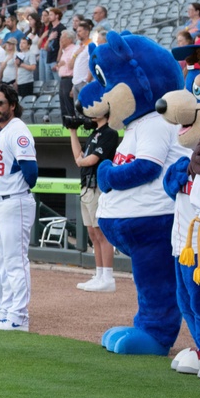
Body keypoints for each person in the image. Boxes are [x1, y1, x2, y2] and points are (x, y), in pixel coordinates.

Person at [0, 84, 38, 331]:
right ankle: (5, 310)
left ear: (12, 105)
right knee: (3, 262)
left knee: (15, 262)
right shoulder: (1, 133)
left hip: (14, 201)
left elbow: (31, 173)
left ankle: (19, 316)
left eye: (0, 103)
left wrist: (12, 190)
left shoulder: (18, 131)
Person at [69, 112, 118, 292]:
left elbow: (91, 160)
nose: (88, 114)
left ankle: (107, 277)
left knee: (101, 232)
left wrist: (82, 161)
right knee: (92, 232)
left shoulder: (110, 133)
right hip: (86, 186)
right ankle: (99, 274)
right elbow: (78, 158)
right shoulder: (93, 134)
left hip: (98, 186)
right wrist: (72, 132)